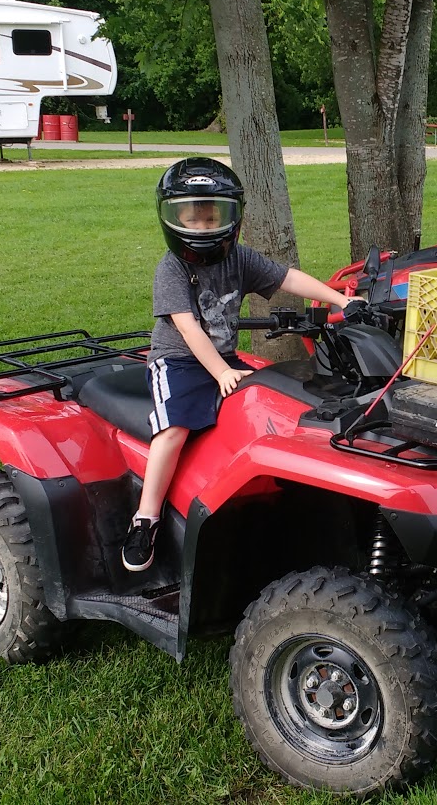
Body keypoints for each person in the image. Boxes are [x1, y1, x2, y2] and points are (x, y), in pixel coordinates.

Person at [122, 157, 358, 571]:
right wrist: (221, 373)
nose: (202, 226)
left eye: (212, 215)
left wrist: (341, 300)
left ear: (232, 216)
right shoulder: (171, 268)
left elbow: (287, 278)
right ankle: (146, 518)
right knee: (174, 430)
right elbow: (189, 330)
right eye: (191, 217)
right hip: (178, 361)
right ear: (173, 217)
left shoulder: (240, 259)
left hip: (225, 358)